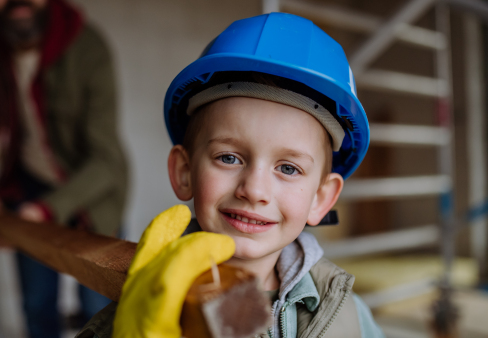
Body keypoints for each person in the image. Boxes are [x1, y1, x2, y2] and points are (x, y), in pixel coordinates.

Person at [77, 12, 384, 338]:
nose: (254, 190)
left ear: (320, 198)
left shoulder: (344, 311)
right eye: (229, 157)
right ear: (185, 172)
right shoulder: (142, 307)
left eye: (288, 168)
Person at [0, 0, 128, 337]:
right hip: (27, 186)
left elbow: (106, 160)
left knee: (99, 311)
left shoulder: (89, 46)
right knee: (37, 306)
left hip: (91, 192)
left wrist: (47, 209)